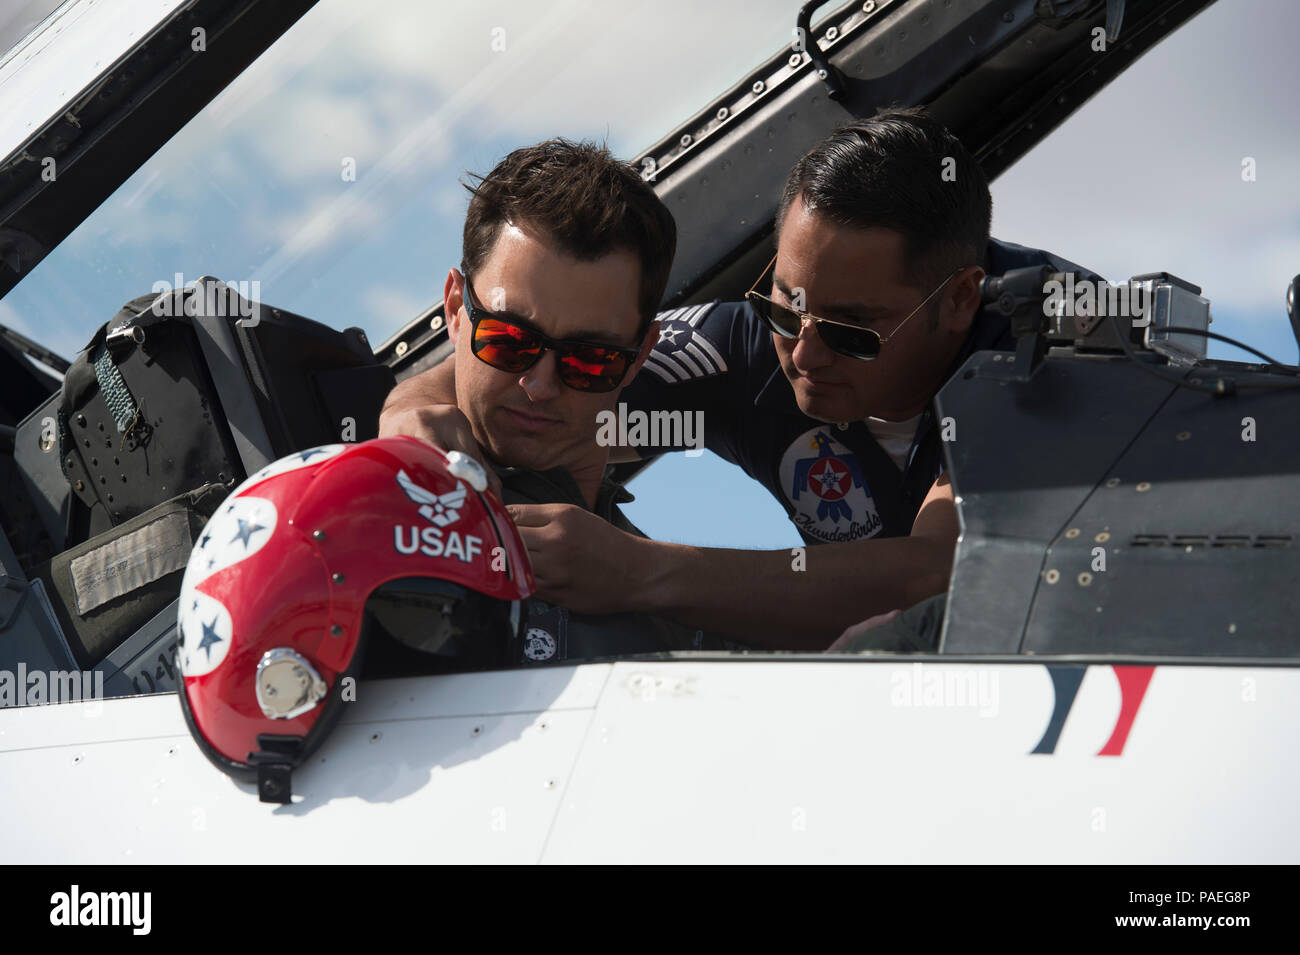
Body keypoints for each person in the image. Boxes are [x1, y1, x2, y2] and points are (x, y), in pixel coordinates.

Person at [382, 107, 1098, 650]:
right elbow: (499, 376)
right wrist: (416, 433)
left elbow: (939, 571)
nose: (805, 355)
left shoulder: (1057, 347)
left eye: (852, 330)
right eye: (788, 305)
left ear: (960, 300)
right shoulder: (741, 345)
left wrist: (640, 572)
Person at [381, 136, 723, 665]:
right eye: (507, 340)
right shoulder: (370, 528)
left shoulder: (687, 622)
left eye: (589, 359)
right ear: (454, 308)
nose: (539, 387)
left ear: (638, 358)